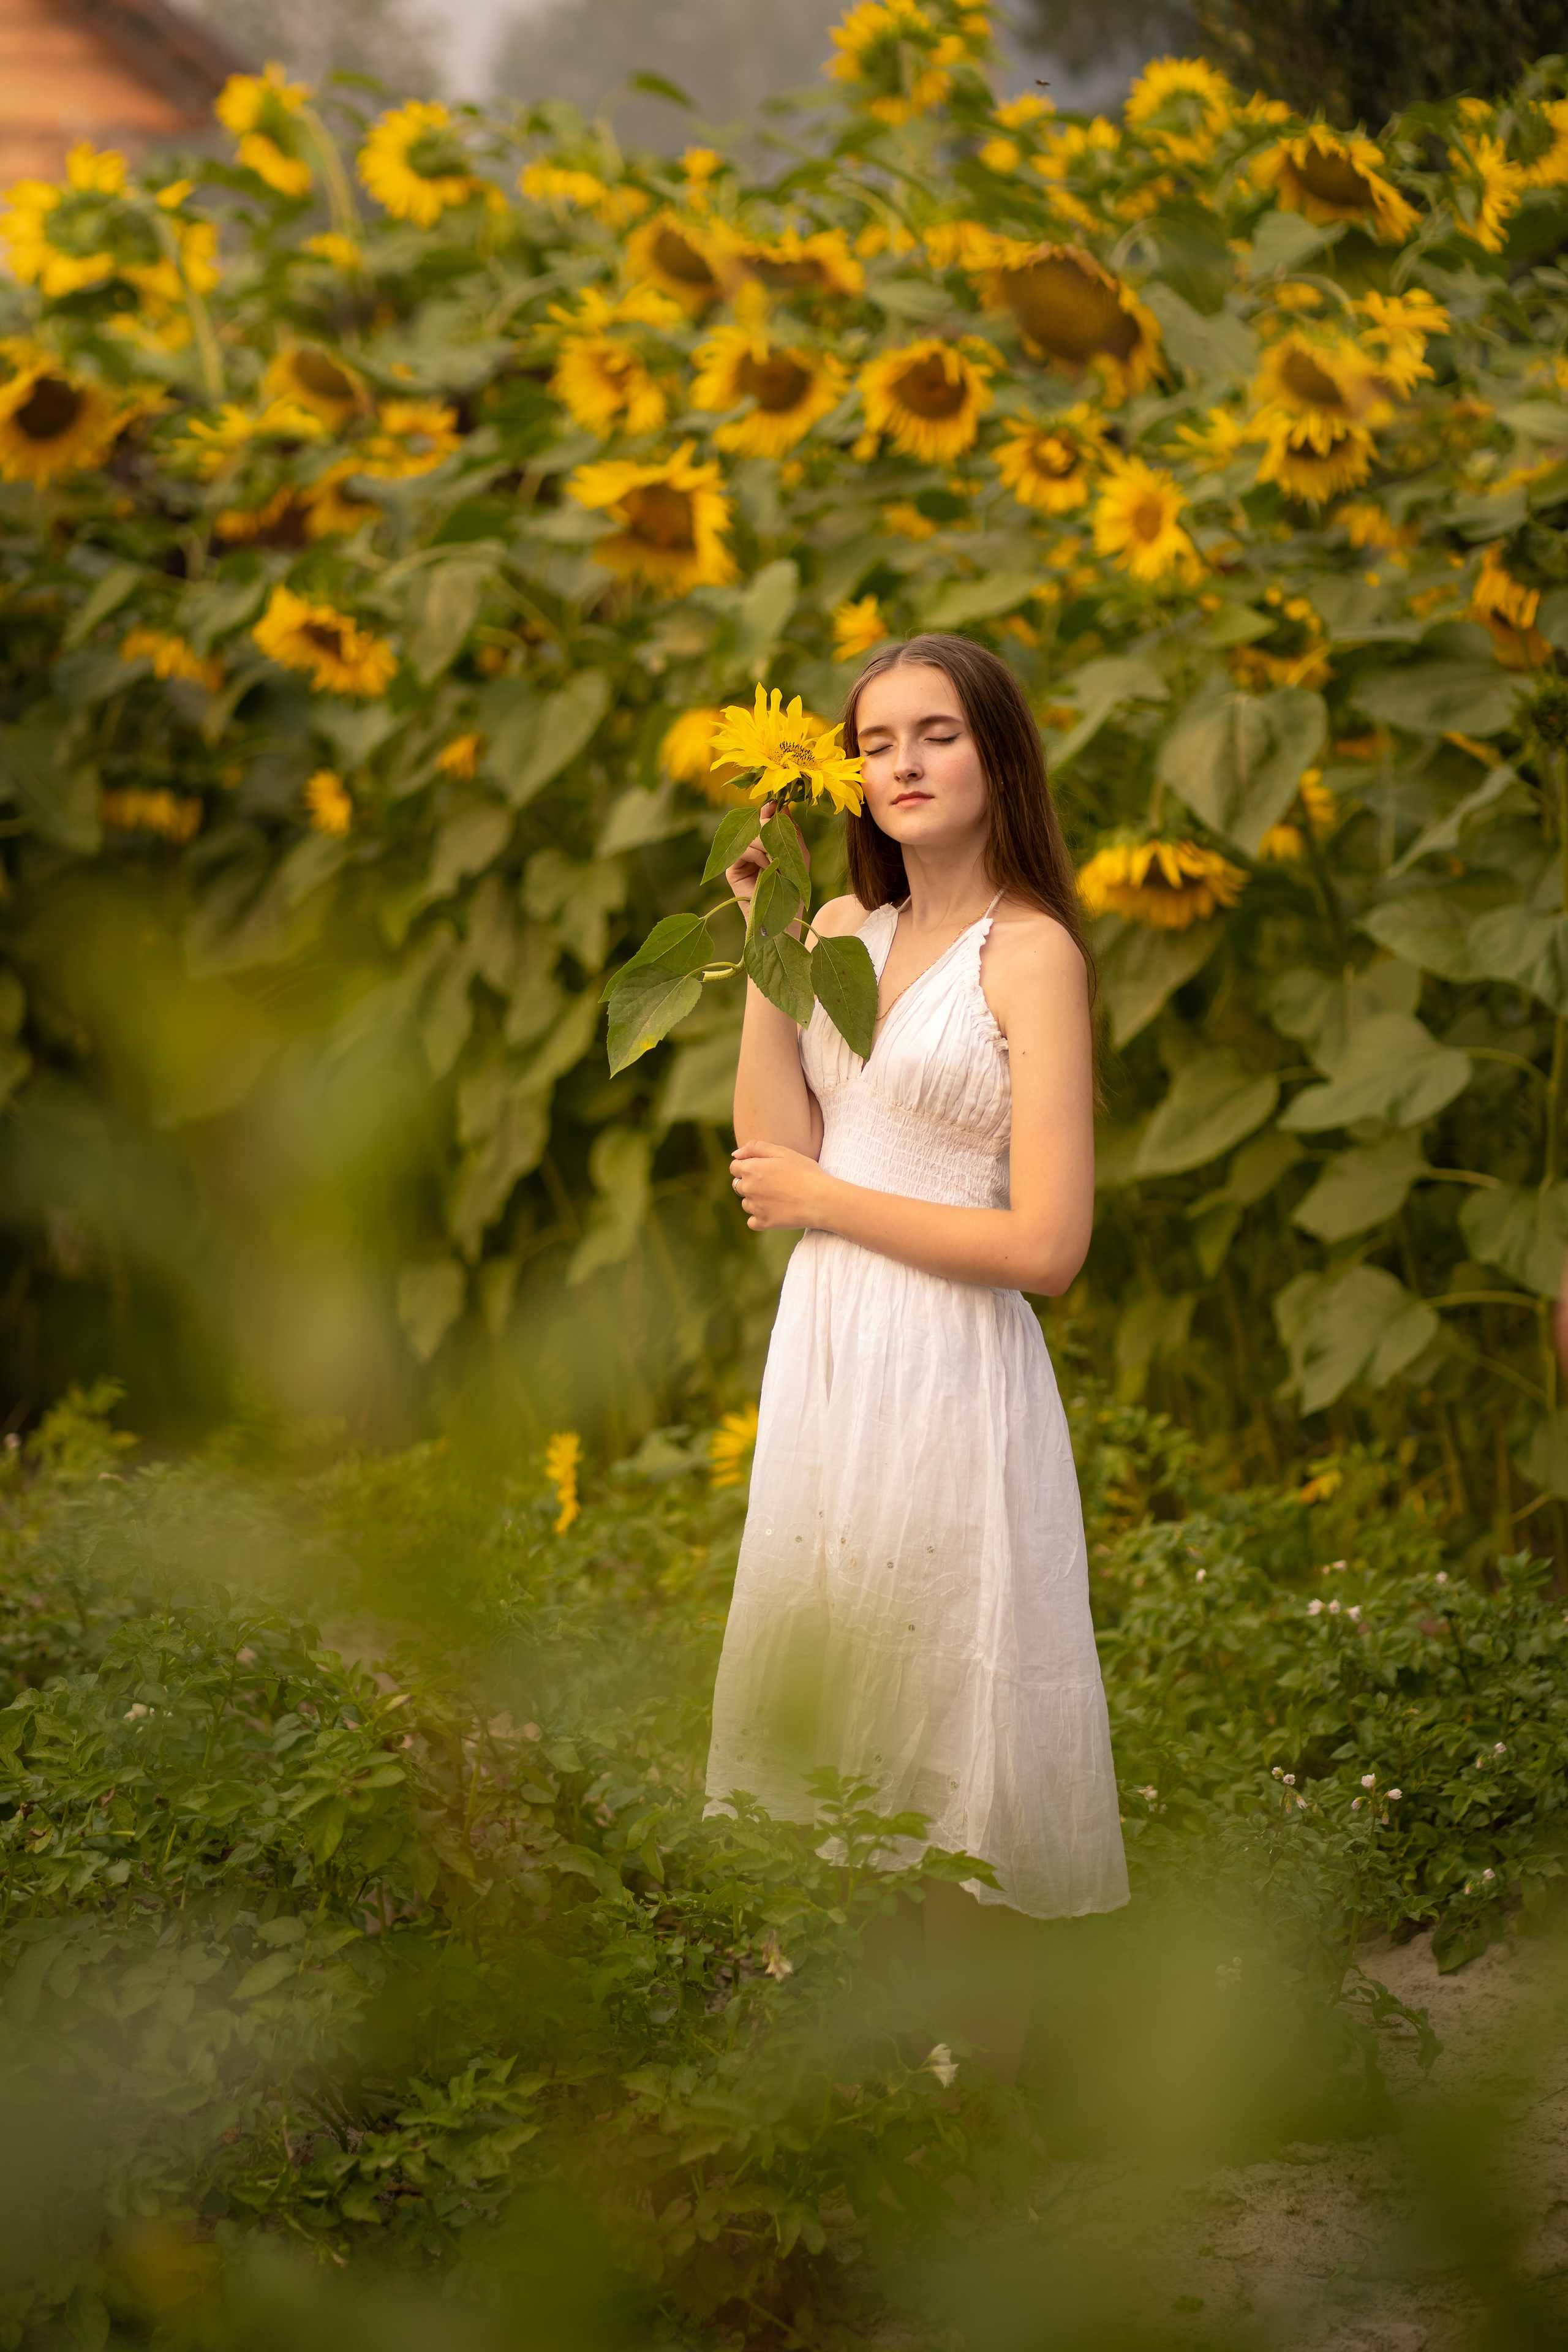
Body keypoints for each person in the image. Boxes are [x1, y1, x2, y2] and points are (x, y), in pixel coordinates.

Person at [704, 632, 1128, 2087]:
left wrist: (826, 1203)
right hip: (832, 1357)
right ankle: (885, 2097)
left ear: (995, 754)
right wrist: (767, 952)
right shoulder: (840, 930)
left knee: (956, 1719)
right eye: (873, 742)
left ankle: (980, 2110)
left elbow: (1045, 1245)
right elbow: (773, 1153)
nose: (900, 764)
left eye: (934, 733)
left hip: (950, 1361)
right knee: (853, 1717)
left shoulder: (1031, 954)